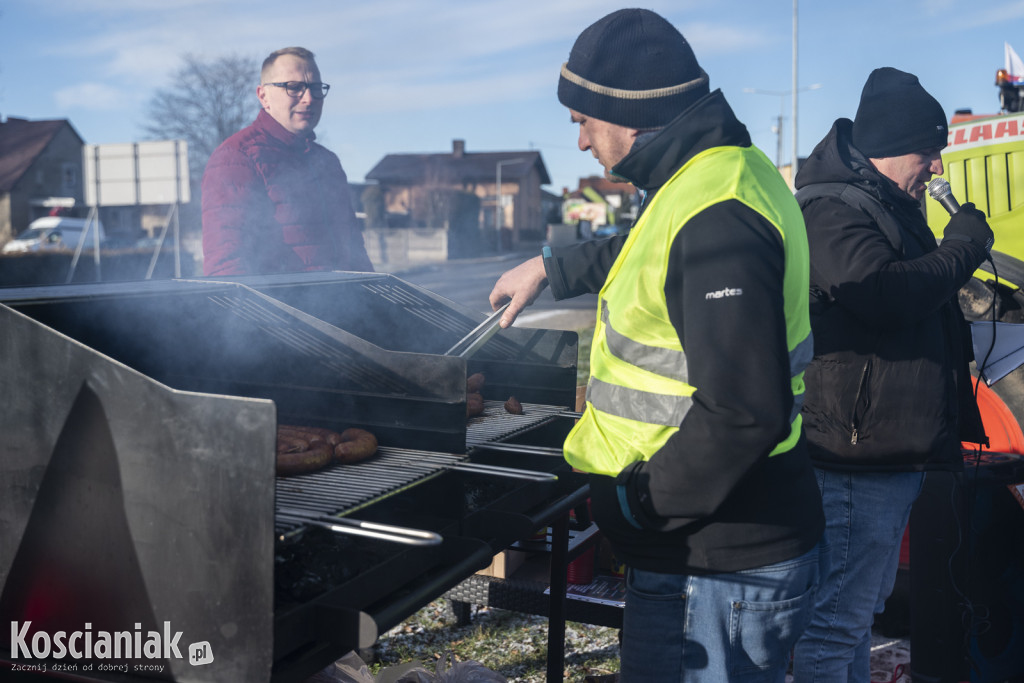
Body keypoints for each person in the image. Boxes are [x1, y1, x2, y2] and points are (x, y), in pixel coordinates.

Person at [488, 9, 824, 681]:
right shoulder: (715, 176)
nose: (580, 142)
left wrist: (635, 504)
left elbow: (744, 412)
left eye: (583, 121)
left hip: (712, 562)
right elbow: (646, 251)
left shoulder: (715, 210)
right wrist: (552, 268)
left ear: (626, 113)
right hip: (715, 550)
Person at [789, 67, 992, 682]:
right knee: (835, 622)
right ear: (891, 147)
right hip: (855, 457)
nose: (936, 169)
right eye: (929, 154)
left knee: (859, 613)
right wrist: (961, 247)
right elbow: (884, 294)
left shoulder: (888, 204)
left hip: (886, 451)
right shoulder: (830, 208)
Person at [201, 46, 373, 276]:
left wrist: (377, 306)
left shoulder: (327, 162)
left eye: (315, 88)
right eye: (293, 88)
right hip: (279, 310)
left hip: (343, 308)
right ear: (263, 96)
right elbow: (227, 267)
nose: (309, 98)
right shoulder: (236, 158)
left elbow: (356, 253)